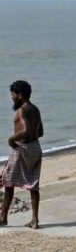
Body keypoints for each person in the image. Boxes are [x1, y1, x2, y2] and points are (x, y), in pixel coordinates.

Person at [1, 80, 43, 229]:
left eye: (13, 94)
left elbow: (25, 130)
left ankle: (3, 218)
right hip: (35, 148)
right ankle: (35, 220)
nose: (11, 97)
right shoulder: (35, 109)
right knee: (33, 184)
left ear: (20, 95)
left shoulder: (22, 110)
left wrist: (12, 139)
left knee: (7, 182)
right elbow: (41, 132)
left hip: (22, 149)